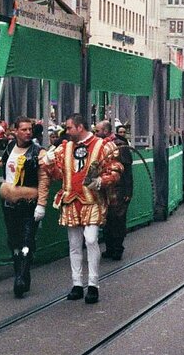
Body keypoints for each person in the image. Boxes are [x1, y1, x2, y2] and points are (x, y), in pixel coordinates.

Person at [38, 113, 122, 305]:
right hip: (70, 199)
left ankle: (93, 284)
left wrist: (102, 180)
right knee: (74, 244)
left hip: (92, 200)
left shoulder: (102, 146)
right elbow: (58, 174)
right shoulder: (64, 148)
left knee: (91, 239)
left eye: (68, 128)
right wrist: (48, 163)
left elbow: (116, 169)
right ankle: (77, 284)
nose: (65, 132)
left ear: (80, 127)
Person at [0, 117, 47, 297]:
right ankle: (21, 271)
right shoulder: (10, 147)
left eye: (30, 129)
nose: (28, 132)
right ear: (15, 131)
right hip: (9, 203)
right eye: (24, 129)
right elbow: (6, 163)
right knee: (13, 240)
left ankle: (20, 277)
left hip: (29, 202)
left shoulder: (38, 152)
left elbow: (44, 180)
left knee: (27, 240)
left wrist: (41, 204)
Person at [100, 120, 133, 261]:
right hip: (105, 188)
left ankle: (117, 248)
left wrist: (128, 191)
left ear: (106, 131)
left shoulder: (120, 145)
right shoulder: (100, 145)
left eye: (98, 131)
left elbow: (127, 171)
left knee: (117, 219)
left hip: (118, 189)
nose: (96, 133)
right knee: (107, 219)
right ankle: (109, 247)